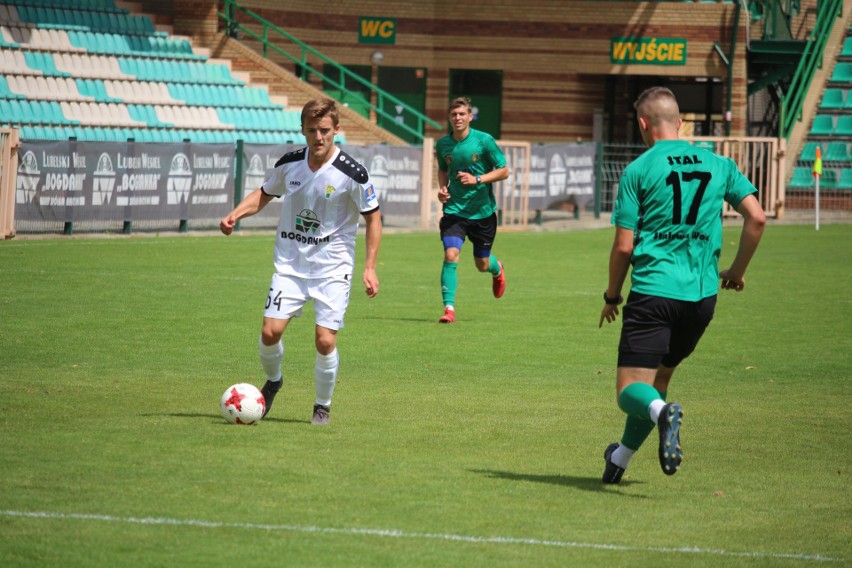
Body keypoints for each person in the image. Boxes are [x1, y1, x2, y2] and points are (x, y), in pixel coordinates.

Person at [598, 86, 766, 483]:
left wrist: (612, 295)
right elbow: (756, 218)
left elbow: (623, 247)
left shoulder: (638, 169)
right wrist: (737, 271)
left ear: (643, 124)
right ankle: (619, 460)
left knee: (629, 391)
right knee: (658, 379)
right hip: (702, 298)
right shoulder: (719, 164)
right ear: (680, 121)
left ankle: (662, 415)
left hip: (655, 291)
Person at [220, 98, 382, 425]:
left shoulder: (353, 173)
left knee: (325, 339)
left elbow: (374, 218)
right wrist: (236, 213)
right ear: (303, 131)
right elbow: (264, 194)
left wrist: (369, 266)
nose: (318, 137)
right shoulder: (290, 162)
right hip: (291, 265)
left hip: (333, 268)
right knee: (269, 333)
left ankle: (322, 404)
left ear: (337, 130)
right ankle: (275, 381)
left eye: (324, 130)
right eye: (312, 130)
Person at [434, 97, 510, 324]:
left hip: (483, 213)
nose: (457, 118)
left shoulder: (484, 141)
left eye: (461, 114)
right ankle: (449, 309)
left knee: (482, 264)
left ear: (469, 116)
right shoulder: (443, 145)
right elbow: (442, 169)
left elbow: (504, 170)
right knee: (450, 254)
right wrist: (442, 189)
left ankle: (497, 269)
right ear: (449, 117)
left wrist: (477, 179)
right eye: (453, 115)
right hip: (454, 211)